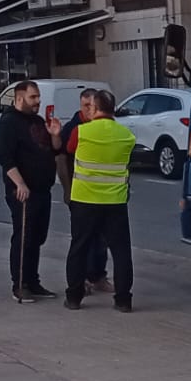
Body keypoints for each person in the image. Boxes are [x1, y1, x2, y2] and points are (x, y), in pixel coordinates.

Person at [61, 88, 135, 313]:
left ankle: (74, 297)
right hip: (115, 201)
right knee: (121, 251)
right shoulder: (127, 135)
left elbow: (69, 149)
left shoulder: (81, 132)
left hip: (85, 199)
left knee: (79, 248)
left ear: (94, 108)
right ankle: (123, 300)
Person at [0, 78, 61, 302]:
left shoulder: (38, 120)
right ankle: (20, 284)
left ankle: (33, 281)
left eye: (38, 97)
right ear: (20, 98)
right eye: (33, 97)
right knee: (24, 236)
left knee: (38, 237)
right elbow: (4, 157)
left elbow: (54, 150)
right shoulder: (9, 122)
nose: (38, 101)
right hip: (23, 190)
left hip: (43, 188)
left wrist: (54, 135)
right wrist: (19, 183)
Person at [57, 90, 111, 295]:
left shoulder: (102, 126)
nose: (89, 110)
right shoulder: (74, 128)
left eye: (91, 105)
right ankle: (82, 281)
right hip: (80, 193)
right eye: (85, 106)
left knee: (101, 239)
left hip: (102, 194)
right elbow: (61, 159)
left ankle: (98, 276)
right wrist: (67, 189)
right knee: (82, 239)